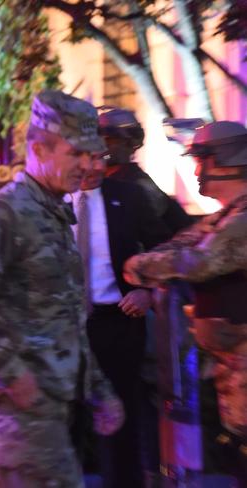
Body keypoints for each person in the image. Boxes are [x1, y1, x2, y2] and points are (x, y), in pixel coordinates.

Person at [0, 90, 124, 487]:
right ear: (39, 148)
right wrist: (13, 373)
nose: (88, 165)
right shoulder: (3, 212)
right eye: (76, 154)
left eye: (93, 155)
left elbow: (64, 317)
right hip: (16, 401)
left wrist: (97, 388)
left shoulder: (53, 214)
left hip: (43, 395)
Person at [124, 120, 247, 485]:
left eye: (203, 158)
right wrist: (151, 265)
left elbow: (197, 261)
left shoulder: (240, 221)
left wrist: (142, 267)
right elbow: (179, 246)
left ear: (226, 161)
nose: (196, 169)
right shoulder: (226, 217)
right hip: (233, 368)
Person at [71, 152, 171, 487]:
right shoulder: (41, 199)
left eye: (102, 157)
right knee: (59, 424)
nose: (98, 166)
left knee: (118, 425)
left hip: (116, 322)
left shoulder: (129, 197)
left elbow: (163, 251)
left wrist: (147, 290)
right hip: (57, 328)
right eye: (89, 157)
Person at [98, 107, 194, 233]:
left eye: (109, 140)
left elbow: (155, 234)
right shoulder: (107, 179)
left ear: (129, 143)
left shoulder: (136, 183)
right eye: (99, 140)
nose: (102, 147)